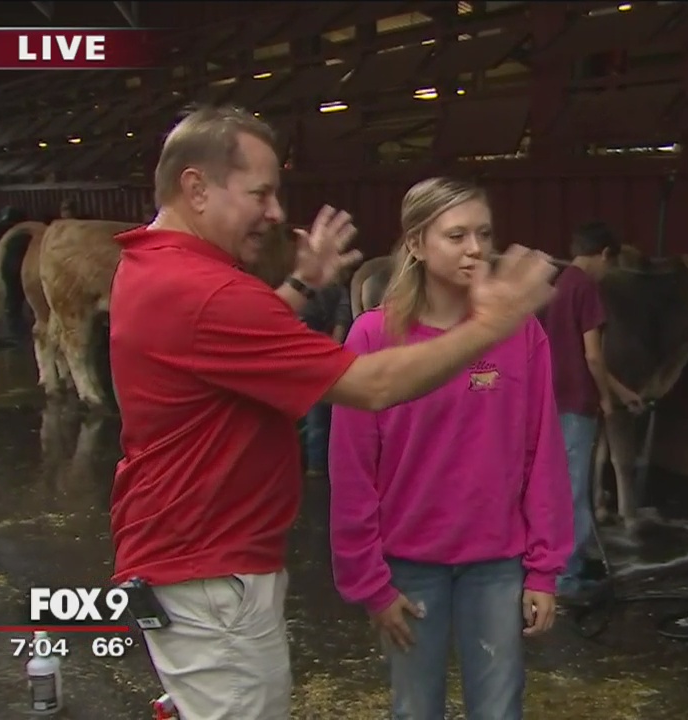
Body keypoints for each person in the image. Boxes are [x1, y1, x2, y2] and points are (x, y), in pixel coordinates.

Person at [105, 106, 560, 720]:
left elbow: (236, 338)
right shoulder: (214, 292)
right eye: (261, 192)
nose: (274, 212)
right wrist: (493, 324)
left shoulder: (164, 271)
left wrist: (299, 286)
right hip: (210, 567)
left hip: (203, 560)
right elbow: (369, 389)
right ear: (196, 188)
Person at [328, 176, 574, 720]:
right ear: (416, 244)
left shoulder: (520, 333)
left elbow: (543, 454)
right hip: (409, 566)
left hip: (496, 563)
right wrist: (369, 580)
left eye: (483, 233)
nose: (476, 249)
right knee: (415, 708)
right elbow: (351, 470)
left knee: (499, 707)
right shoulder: (372, 338)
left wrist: (544, 568)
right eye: (456, 235)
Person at [537, 220, 644, 599]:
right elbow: (593, 357)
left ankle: (562, 566)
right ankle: (567, 577)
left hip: (553, 397)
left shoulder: (562, 283)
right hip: (577, 401)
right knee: (574, 490)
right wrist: (605, 397)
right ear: (604, 255)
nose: (608, 270)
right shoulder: (588, 288)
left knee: (559, 485)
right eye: (609, 263)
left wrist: (623, 390)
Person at [299, 280, 350, 475]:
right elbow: (343, 315)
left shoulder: (306, 287)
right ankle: (319, 463)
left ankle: (316, 463)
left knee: (317, 415)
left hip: (312, 351)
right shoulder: (336, 288)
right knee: (320, 414)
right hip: (322, 352)